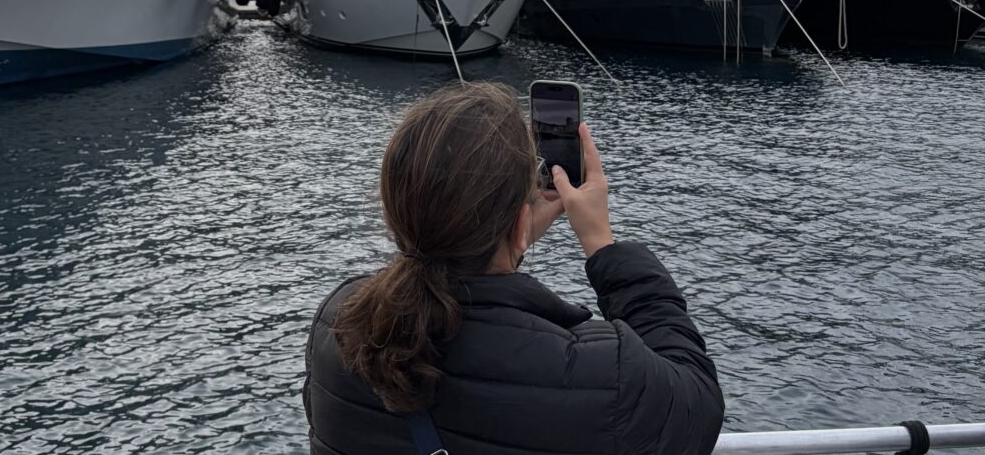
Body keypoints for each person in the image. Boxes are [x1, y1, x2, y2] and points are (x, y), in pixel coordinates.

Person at [303, 81, 724, 454]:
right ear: (522, 223)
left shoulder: (338, 325)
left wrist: (504, 239)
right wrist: (601, 244)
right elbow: (698, 405)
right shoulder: (603, 374)